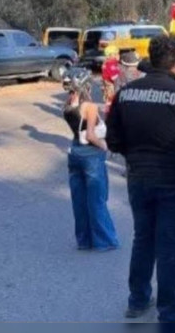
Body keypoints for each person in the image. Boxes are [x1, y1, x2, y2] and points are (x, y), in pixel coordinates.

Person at [106, 35, 175, 323]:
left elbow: (112, 140)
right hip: (172, 181)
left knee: (143, 239)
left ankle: (137, 300)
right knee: (169, 246)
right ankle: (170, 311)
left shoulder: (126, 93)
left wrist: (136, 154)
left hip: (138, 179)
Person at [62, 67, 120, 252]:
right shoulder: (90, 107)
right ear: (85, 84)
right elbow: (91, 135)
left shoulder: (67, 105)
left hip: (75, 152)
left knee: (79, 200)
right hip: (91, 154)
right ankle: (104, 241)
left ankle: (84, 240)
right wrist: (106, 146)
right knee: (97, 199)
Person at [102, 45, 121, 110]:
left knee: (110, 100)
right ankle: (110, 114)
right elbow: (113, 77)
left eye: (117, 53)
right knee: (110, 100)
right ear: (110, 55)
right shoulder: (110, 64)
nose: (117, 55)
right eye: (115, 54)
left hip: (110, 85)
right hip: (111, 85)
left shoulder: (111, 63)